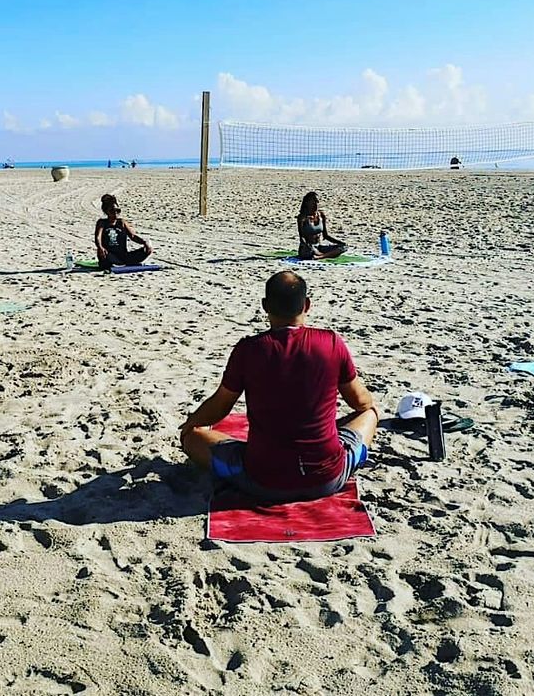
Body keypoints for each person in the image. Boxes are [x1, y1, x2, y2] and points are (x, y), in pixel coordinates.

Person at [179, 271, 379, 502]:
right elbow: (361, 402)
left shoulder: (249, 350)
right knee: (370, 414)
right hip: (327, 480)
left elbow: (220, 406)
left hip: (262, 481)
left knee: (193, 438)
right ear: (307, 305)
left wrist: (191, 423)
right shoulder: (331, 343)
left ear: (265, 306)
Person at [94, 194, 153, 269]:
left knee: (146, 250)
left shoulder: (122, 222)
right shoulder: (102, 223)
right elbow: (98, 237)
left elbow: (133, 236)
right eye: (112, 211)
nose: (115, 213)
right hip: (108, 254)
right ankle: (114, 263)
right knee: (106, 256)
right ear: (106, 211)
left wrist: (145, 242)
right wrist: (100, 247)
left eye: (117, 211)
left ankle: (121, 262)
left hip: (123, 255)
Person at [296, 191, 347, 260]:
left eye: (317, 202)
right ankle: (323, 255)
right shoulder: (302, 217)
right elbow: (302, 238)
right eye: (313, 203)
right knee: (310, 251)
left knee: (343, 247)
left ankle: (321, 256)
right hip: (307, 248)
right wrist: (309, 246)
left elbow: (326, 236)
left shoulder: (321, 215)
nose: (316, 205)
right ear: (307, 203)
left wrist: (340, 243)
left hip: (319, 246)